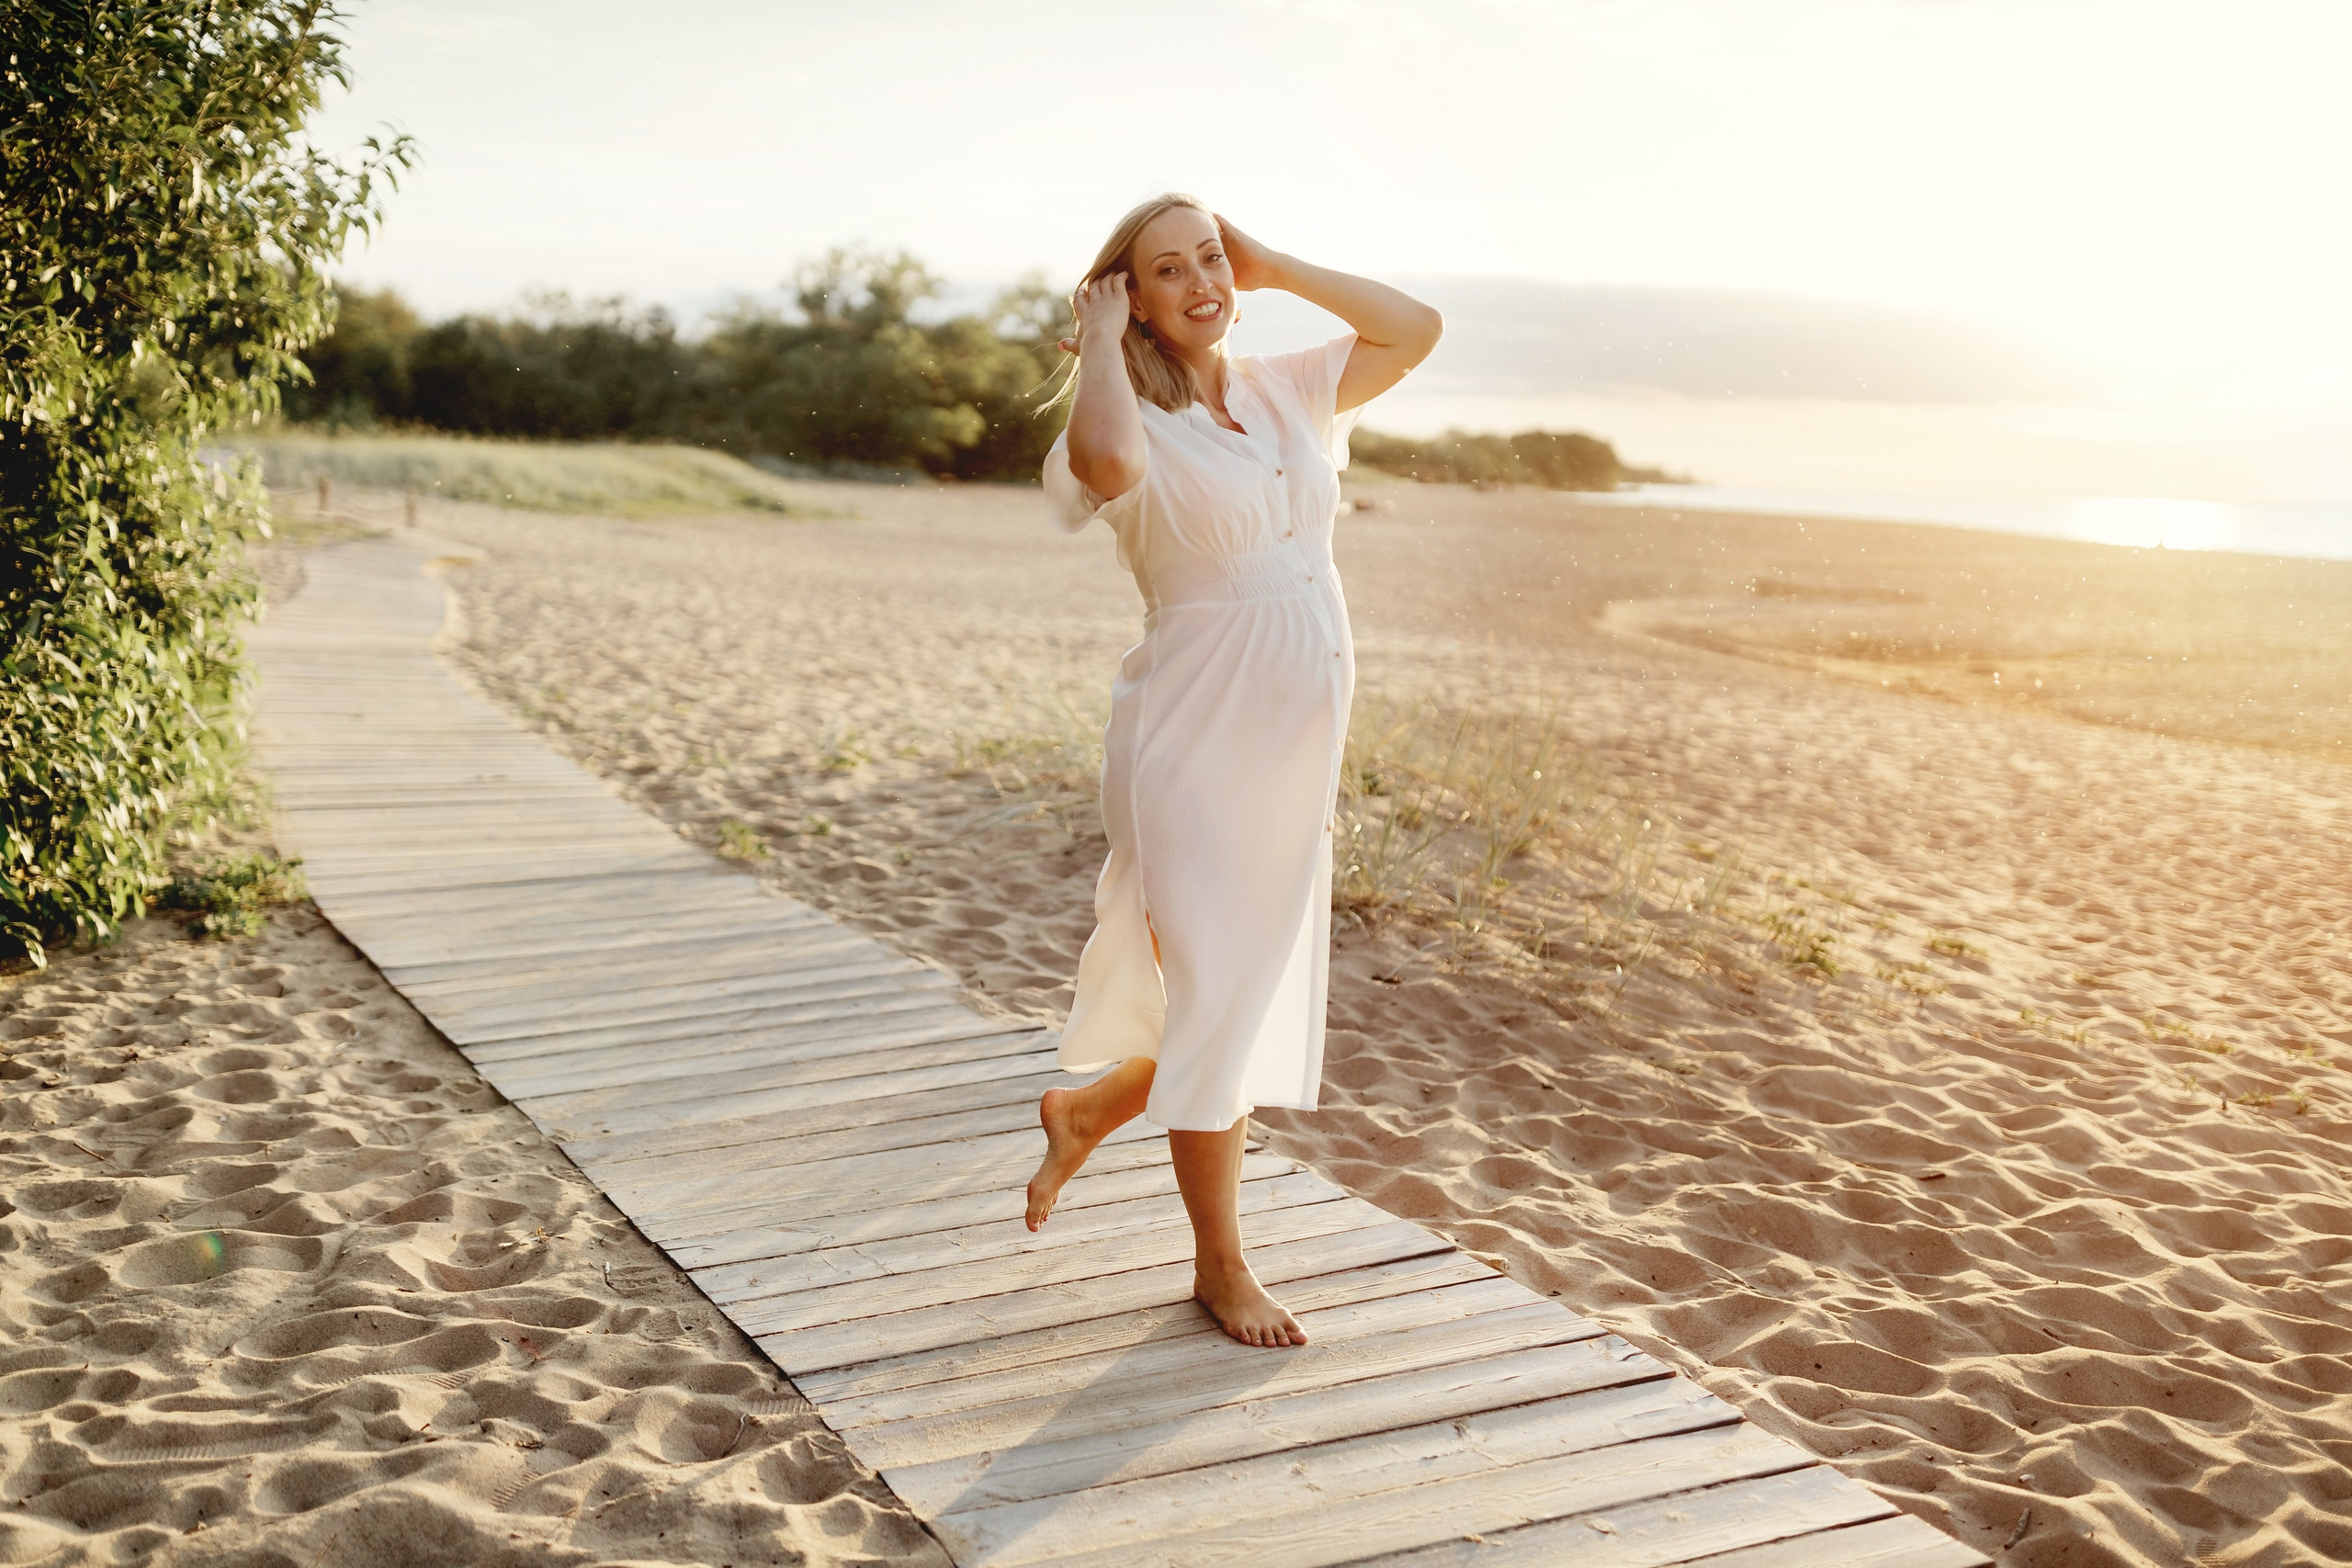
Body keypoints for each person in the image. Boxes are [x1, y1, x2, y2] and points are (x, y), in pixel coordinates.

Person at [1023, 192, 1442, 1348]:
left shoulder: (1283, 389)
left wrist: (1270, 264)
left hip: (1298, 734)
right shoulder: (1117, 414)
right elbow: (1104, 464)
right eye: (1169, 269)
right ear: (1130, 297)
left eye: (1210, 259)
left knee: (1239, 990)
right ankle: (1220, 1266)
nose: (1201, 281)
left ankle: (1097, 1102)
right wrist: (1100, 342)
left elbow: (1415, 328)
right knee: (1215, 992)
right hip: (1192, 740)